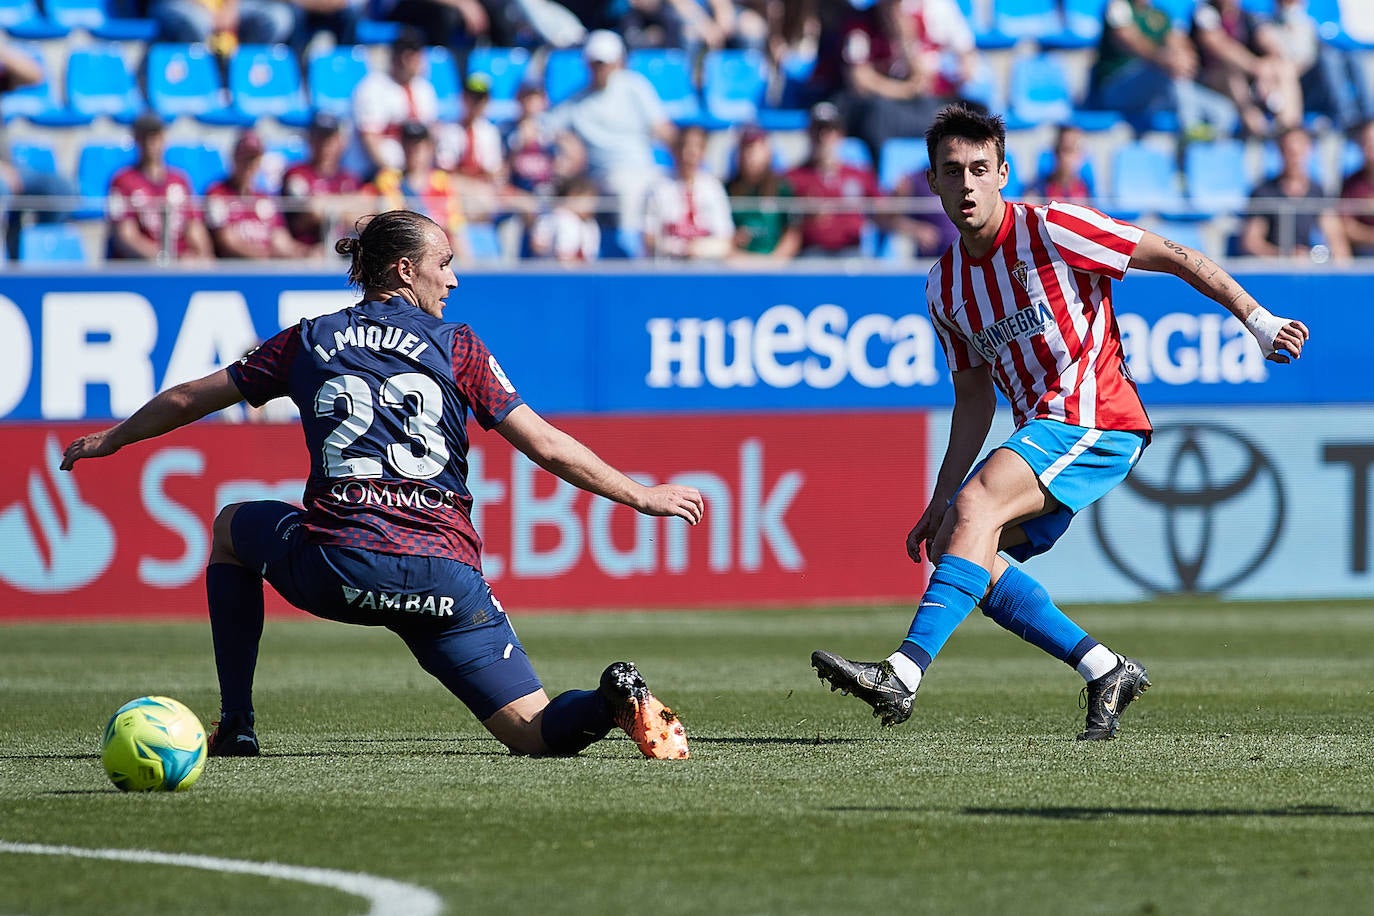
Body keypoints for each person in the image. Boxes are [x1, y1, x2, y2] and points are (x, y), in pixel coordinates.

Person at [60, 208, 702, 760]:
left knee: (232, 527)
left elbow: (190, 397)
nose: (452, 277)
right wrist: (642, 495)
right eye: (444, 262)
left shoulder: (311, 339)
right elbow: (546, 445)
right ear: (404, 269)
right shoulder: (456, 345)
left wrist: (113, 439)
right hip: (441, 578)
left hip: (339, 568)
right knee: (534, 733)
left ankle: (239, 725)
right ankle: (603, 701)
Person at [811, 104, 1309, 741]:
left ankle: (901, 674)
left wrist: (1258, 320)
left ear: (1003, 173)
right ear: (931, 183)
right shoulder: (944, 288)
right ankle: (1105, 669)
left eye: (979, 169)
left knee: (980, 504)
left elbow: (1176, 254)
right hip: (1045, 426)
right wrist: (939, 500)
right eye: (952, 170)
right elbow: (973, 400)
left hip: (1098, 417)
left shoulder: (1054, 228)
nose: (966, 183)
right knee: (959, 542)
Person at [542, 29, 675, 237]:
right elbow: (544, 127)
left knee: (672, 191)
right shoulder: (576, 102)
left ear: (616, 62)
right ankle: (631, 255)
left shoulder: (635, 87)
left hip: (644, 169)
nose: (599, 68)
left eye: (603, 62)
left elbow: (662, 128)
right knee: (627, 191)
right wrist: (564, 140)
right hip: (605, 176)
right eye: (595, 62)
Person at [1086, 0, 1239, 141]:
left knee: (1224, 110)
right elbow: (1126, 38)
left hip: (1158, 91)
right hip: (1116, 88)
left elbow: (1178, 42)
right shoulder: (1118, 6)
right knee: (1166, 70)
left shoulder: (1160, 15)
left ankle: (1206, 146)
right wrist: (1162, 59)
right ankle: (1190, 128)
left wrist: (1183, 56)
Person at [0, 39, 78, 261]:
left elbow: (34, 75)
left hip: (13, 171)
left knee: (61, 189)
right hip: (3, 176)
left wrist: (2, 49)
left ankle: (39, 255)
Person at [106, 112, 214, 263]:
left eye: (155, 136)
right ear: (136, 139)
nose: (151, 142)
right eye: (145, 137)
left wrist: (202, 258)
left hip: (182, 263)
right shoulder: (123, 181)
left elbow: (194, 227)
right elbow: (126, 236)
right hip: (143, 267)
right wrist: (166, 260)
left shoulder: (179, 180)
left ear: (163, 137)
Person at [785, 101, 884, 258]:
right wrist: (804, 216)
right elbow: (781, 219)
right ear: (809, 133)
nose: (823, 137)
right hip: (810, 252)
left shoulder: (859, 174)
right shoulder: (792, 177)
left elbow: (883, 211)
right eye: (817, 130)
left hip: (851, 251)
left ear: (840, 135)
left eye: (829, 130)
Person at [1190, 0, 1301, 138]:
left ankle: (1288, 129)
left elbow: (1267, 41)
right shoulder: (1205, 13)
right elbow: (1219, 45)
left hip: (1249, 74)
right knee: (1233, 72)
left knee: (1284, 68)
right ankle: (1256, 127)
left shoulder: (1246, 15)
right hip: (1212, 77)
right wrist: (1255, 67)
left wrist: (1269, 64)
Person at [1239, 125, 1351, 262]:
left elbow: (1335, 238)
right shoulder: (1264, 192)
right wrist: (1283, 256)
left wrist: (1340, 265)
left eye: (1299, 151)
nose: (1295, 157)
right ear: (1280, 152)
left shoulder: (1317, 191)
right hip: (1272, 268)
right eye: (1289, 151)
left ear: (1309, 150)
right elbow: (1252, 243)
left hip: (1305, 268)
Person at [348, 28, 443, 181]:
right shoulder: (372, 87)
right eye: (415, 56)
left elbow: (430, 135)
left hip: (414, 176)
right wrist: (393, 176)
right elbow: (370, 139)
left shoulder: (424, 88)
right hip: (374, 174)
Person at [205, 131, 316, 260]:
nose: (249, 165)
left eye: (253, 159)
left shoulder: (264, 199)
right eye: (244, 158)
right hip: (234, 271)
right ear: (234, 158)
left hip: (265, 272)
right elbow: (226, 241)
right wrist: (267, 256)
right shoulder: (218, 192)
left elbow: (280, 240)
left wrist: (305, 253)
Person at [641, 124, 735, 260]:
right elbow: (648, 238)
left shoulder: (713, 188)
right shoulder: (658, 188)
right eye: (683, 147)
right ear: (674, 151)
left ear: (703, 152)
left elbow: (726, 239)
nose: (688, 155)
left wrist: (700, 249)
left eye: (695, 148)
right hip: (668, 269)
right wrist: (678, 248)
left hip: (706, 270)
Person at [281, 112, 363, 248]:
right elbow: (310, 213)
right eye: (319, 137)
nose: (324, 144)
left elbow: (365, 215)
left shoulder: (349, 178)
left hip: (344, 251)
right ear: (310, 140)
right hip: (307, 251)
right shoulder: (297, 173)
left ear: (338, 140)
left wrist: (327, 207)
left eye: (328, 138)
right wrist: (348, 204)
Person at [725, 125, 801, 260]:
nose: (751, 155)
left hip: (775, 265)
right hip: (736, 265)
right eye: (746, 148)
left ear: (768, 152)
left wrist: (774, 261)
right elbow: (721, 236)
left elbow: (792, 234)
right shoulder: (726, 190)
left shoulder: (782, 189)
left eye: (756, 148)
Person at [529, 174, 601, 262]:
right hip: (553, 272)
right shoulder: (560, 218)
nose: (592, 206)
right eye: (588, 200)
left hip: (580, 273)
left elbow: (589, 258)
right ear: (573, 196)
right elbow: (538, 245)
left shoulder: (591, 224)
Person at [1027, 123, 1096, 203]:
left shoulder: (1085, 190)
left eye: (1078, 150)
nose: (1072, 158)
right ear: (1056, 152)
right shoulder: (1038, 190)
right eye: (1067, 150)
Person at [1340, 118, 1374, 257]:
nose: (1371, 147)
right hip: (1364, 254)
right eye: (1367, 142)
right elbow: (1347, 228)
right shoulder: (1351, 184)